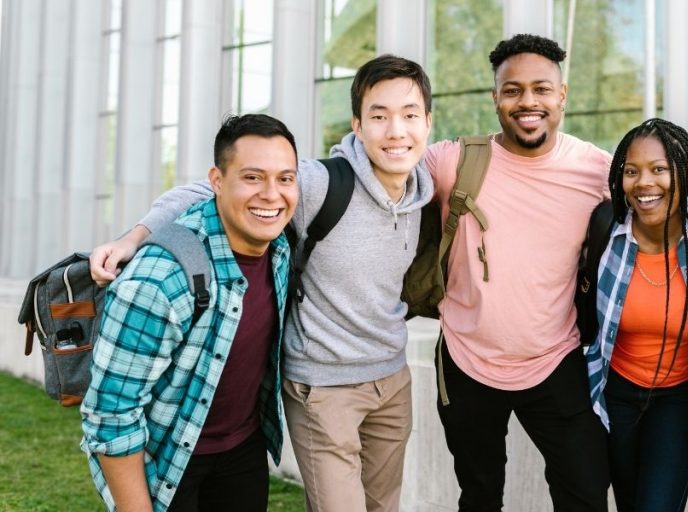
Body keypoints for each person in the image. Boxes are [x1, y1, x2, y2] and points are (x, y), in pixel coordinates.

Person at [88, 55, 435, 512]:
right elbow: (208, 190)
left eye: (410, 115)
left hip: (388, 378)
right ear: (357, 124)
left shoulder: (427, 187)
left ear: (428, 123)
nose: (396, 130)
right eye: (379, 115)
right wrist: (134, 236)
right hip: (323, 386)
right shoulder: (318, 183)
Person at [425, 34, 611, 511]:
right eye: (512, 90)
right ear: (495, 99)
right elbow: (380, 167)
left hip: (556, 358)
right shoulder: (454, 162)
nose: (528, 102)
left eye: (541, 89)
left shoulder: (597, 171)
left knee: (585, 493)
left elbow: (665, 210)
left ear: (562, 95)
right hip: (466, 361)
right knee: (480, 494)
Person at [80, 113, 299, 512]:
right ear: (216, 181)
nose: (272, 194)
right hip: (168, 459)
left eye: (285, 178)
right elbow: (110, 416)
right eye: (252, 177)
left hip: (243, 449)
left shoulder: (280, 246)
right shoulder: (160, 279)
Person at [582, 118, 688, 512]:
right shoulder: (606, 229)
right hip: (614, 392)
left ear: (683, 173)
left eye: (659, 169)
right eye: (631, 171)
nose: (643, 182)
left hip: (680, 398)